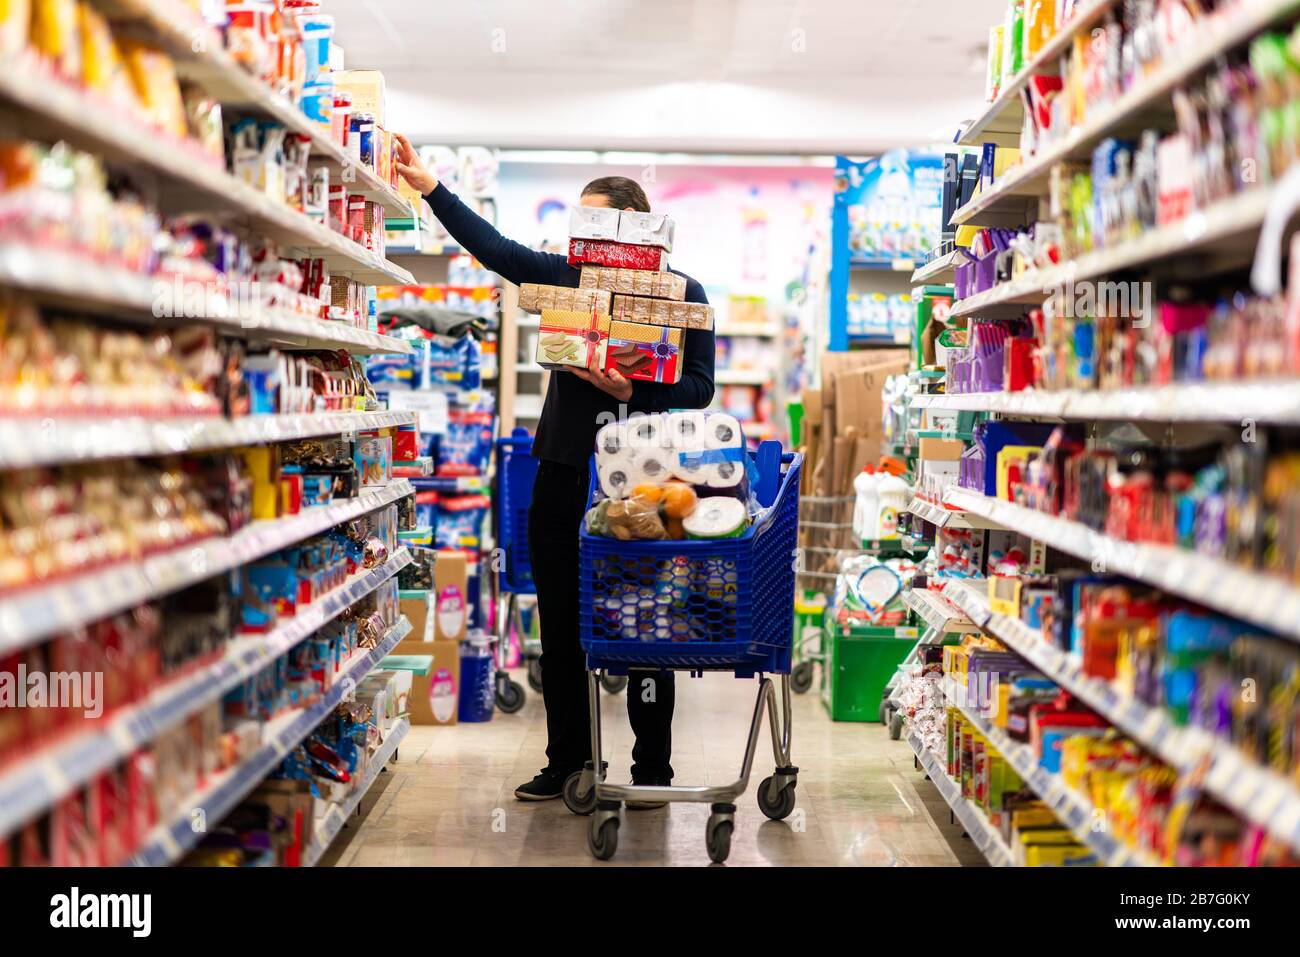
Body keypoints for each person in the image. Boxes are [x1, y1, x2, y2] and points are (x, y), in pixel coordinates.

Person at [394, 135, 716, 804]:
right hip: (564, 474)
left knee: (648, 626)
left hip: (646, 489)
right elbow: (497, 250)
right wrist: (430, 188)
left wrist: (636, 392)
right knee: (562, 624)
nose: (584, 241)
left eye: (596, 224)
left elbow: (702, 387)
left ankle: (651, 769)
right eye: (580, 226)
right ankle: (568, 760)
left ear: (635, 228)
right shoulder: (567, 278)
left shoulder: (682, 294)